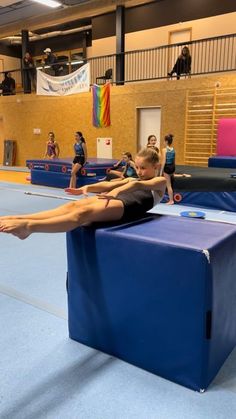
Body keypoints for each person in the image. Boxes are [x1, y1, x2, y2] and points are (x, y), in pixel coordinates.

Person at [0, 148, 166, 240]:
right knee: (73, 205)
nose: (139, 171)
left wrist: (115, 191)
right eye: (137, 167)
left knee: (82, 214)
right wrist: (87, 188)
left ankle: (29, 227)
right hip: (116, 200)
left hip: (126, 206)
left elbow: (137, 184)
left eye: (143, 168)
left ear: (156, 166)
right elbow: (108, 183)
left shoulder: (160, 182)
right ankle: (21, 218)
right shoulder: (133, 179)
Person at [160, 134, 175, 205]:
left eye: (164, 141)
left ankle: (171, 200)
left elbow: (164, 161)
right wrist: (174, 170)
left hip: (167, 167)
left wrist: (161, 171)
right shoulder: (173, 150)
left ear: (166, 141)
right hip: (172, 166)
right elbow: (174, 160)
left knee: (168, 185)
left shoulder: (164, 150)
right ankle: (170, 199)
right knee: (170, 184)